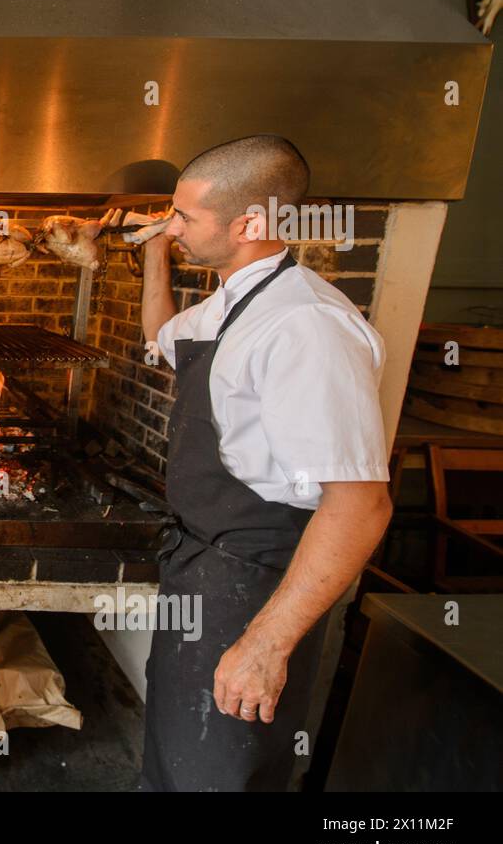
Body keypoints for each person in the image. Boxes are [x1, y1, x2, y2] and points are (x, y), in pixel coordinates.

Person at [137, 134, 393, 791]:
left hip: (254, 590)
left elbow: (361, 504)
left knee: (219, 773)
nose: (175, 226)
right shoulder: (229, 304)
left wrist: (266, 644)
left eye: (186, 217)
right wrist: (157, 253)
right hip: (198, 568)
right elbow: (162, 341)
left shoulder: (305, 325)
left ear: (250, 223)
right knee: (173, 761)